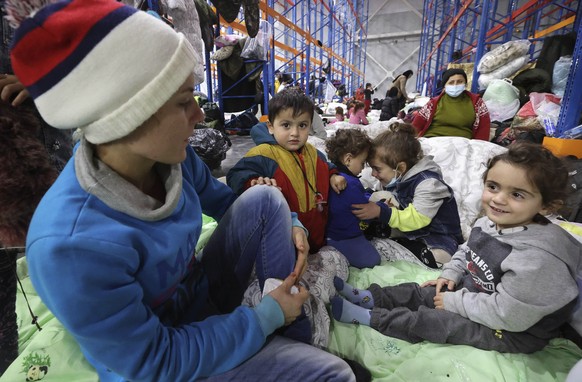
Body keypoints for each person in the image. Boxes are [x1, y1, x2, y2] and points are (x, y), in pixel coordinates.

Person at [12, 1, 356, 380]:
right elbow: (156, 361)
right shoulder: (71, 244)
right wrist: (262, 319)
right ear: (125, 118)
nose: (198, 115)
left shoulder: (169, 159)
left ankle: (288, 323)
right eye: (182, 103)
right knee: (333, 374)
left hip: (197, 295)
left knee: (266, 199)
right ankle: (280, 325)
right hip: (169, 352)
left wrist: (292, 220)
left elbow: (227, 202)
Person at [331, 142, 581, 354]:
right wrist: (450, 274)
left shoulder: (539, 258)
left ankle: (370, 318)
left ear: (547, 206)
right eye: (493, 186)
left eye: (517, 195)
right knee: (422, 292)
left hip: (512, 331)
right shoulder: (489, 222)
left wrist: (456, 303)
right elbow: (467, 250)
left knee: (437, 322)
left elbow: (509, 315)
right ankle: (370, 298)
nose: (498, 199)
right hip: (478, 295)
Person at [228, 89, 347, 253]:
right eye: (286, 125)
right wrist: (253, 182)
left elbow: (326, 166)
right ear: (271, 126)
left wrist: (333, 175)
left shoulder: (313, 153)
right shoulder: (264, 154)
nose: (295, 133)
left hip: (317, 237)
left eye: (302, 125)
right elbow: (236, 175)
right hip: (283, 242)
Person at [351, 123, 464, 268]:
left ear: (401, 167)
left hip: (437, 236)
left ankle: (412, 251)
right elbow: (381, 198)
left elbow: (416, 218)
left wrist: (381, 212)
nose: (373, 174)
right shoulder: (392, 178)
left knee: (441, 257)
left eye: (377, 169)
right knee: (378, 198)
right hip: (409, 232)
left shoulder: (429, 184)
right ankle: (397, 243)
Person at [325, 129, 380, 269]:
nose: (362, 169)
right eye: (362, 163)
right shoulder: (352, 183)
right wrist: (377, 204)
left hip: (330, 230)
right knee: (374, 260)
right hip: (345, 236)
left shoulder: (330, 175)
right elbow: (363, 212)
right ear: (348, 159)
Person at [412, 68, 490, 140]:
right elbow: (416, 125)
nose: (455, 85)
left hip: (463, 144)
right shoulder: (433, 103)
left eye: (460, 81)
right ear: (445, 86)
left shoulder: (477, 103)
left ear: (465, 84)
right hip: (433, 140)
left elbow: (483, 129)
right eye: (451, 82)